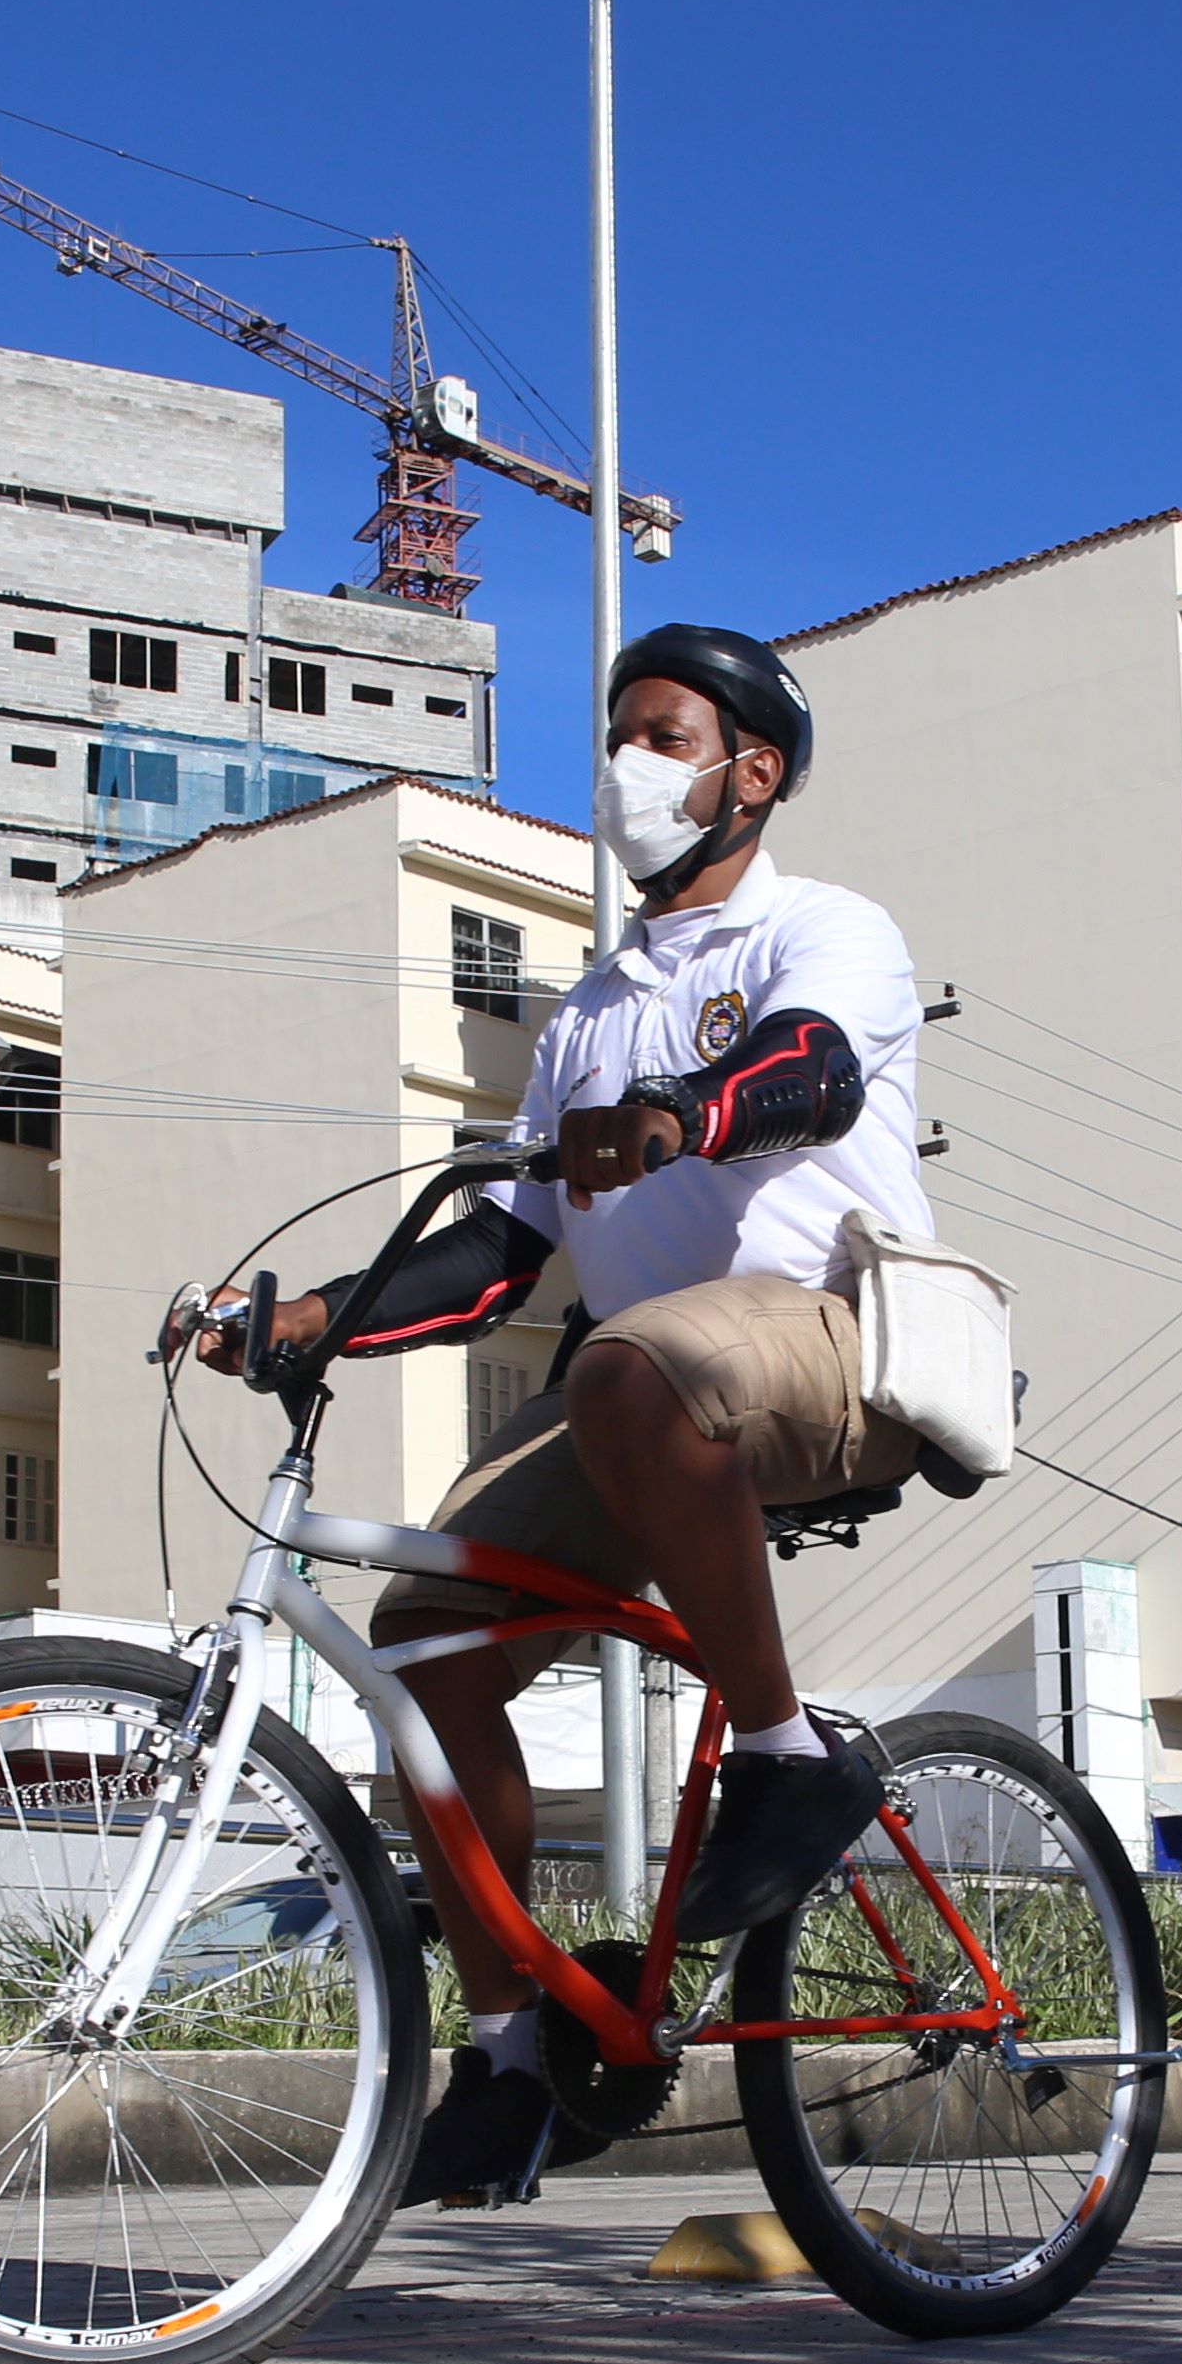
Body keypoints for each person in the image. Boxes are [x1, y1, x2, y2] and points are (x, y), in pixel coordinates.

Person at [195, 623, 946, 2197]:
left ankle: (789, 1752)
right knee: (423, 1645)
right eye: (619, 735)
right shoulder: (589, 1012)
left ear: (755, 773)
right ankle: (518, 2049)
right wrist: (316, 1317)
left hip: (827, 1335)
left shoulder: (826, 930)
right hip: (633, 1385)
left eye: (665, 737)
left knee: (626, 1360)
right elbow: (499, 1251)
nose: (628, 768)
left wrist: (683, 1118)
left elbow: (813, 1076)